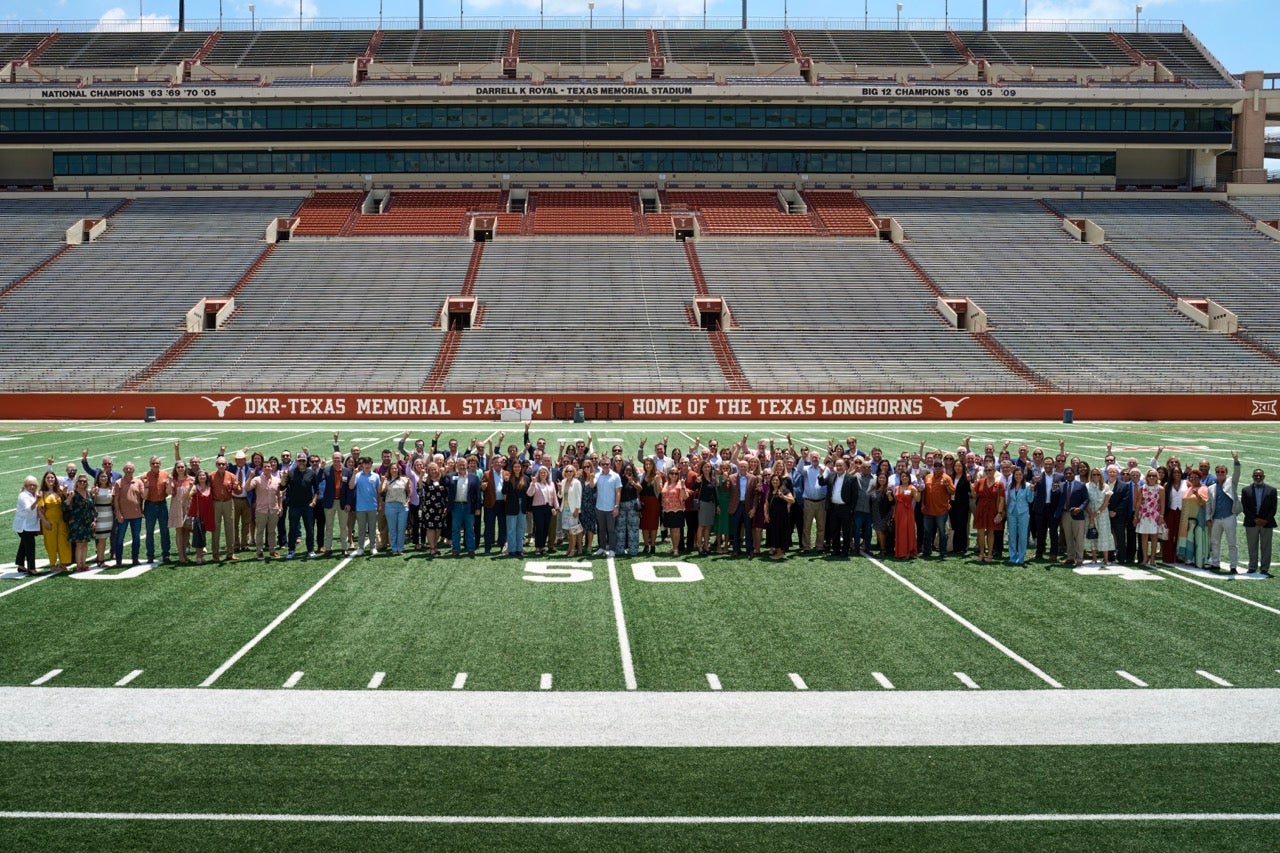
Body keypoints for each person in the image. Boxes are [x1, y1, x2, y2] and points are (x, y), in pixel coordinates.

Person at [1206, 452, 1242, 574]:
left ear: (1226, 473)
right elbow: (1209, 504)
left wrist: (1236, 460)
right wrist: (1208, 517)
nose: (1220, 474)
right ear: (1215, 473)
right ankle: (1215, 563)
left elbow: (1237, 473)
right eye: (1218, 472)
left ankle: (1233, 566)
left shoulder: (1231, 482)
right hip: (1216, 518)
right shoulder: (1212, 487)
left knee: (1232, 542)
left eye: (1222, 472)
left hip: (1229, 517)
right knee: (1215, 542)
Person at [283, 455, 321, 559]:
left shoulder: (311, 473)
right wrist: (283, 477)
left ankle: (311, 550)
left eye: (303, 460)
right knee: (293, 529)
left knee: (309, 529)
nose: (301, 462)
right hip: (294, 506)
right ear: (296, 461)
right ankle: (291, 550)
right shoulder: (291, 473)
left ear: (306, 461)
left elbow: (317, 489)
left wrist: (313, 501)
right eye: (299, 461)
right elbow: (282, 487)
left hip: (307, 506)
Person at [1242, 468, 1276, 577]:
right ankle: (1252, 567)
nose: (1258, 477)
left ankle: (1265, 568)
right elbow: (1245, 507)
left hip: (1267, 522)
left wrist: (1265, 520)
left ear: (1264, 477)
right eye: (1256, 476)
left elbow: (1273, 508)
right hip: (1252, 522)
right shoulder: (1246, 490)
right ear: (1252, 477)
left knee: (1266, 546)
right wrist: (1255, 519)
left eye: (1260, 476)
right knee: (1252, 546)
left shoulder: (1272, 490)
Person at [446, 456, 482, 557]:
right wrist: (445, 471)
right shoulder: (451, 476)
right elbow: (444, 483)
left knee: (470, 529)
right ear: (456, 466)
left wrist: (478, 508)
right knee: (456, 529)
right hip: (456, 506)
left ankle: (471, 549)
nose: (462, 466)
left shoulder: (474, 478)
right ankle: (456, 549)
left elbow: (478, 494)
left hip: (469, 507)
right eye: (460, 464)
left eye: (464, 464)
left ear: (467, 465)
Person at [207, 456, 242, 563]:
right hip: (216, 503)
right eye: (219, 464)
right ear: (216, 465)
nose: (221, 466)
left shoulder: (231, 476)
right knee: (215, 529)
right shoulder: (211, 476)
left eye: (223, 464)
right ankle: (215, 554)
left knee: (230, 528)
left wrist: (236, 488)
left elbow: (239, 491)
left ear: (227, 465)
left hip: (228, 502)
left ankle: (230, 553)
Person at [111, 462, 146, 567]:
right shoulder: (118, 483)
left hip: (136, 515)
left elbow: (143, 497)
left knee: (136, 538)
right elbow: (115, 499)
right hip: (123, 515)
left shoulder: (138, 482)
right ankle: (118, 560)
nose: (128, 470)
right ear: (123, 470)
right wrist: (118, 513)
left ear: (133, 470)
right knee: (120, 538)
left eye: (130, 468)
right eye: (126, 468)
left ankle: (135, 558)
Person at [36, 471, 72, 572]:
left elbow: (67, 502)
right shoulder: (42, 493)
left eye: (52, 478)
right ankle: (52, 564)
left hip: (61, 520)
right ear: (45, 480)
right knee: (51, 543)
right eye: (48, 478)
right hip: (49, 521)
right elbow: (39, 510)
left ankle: (63, 563)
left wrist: (64, 493)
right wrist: (45, 522)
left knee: (63, 542)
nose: (50, 479)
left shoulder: (59, 491)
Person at [247, 458, 283, 559]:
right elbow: (247, 488)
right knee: (260, 531)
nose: (267, 468)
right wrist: (250, 477)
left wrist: (280, 507)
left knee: (272, 531)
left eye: (269, 466)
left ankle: (272, 550)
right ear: (262, 468)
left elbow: (279, 496)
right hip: (261, 510)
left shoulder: (277, 480)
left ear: (271, 468)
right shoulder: (257, 479)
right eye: (265, 467)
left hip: (273, 509)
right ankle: (259, 551)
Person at [139, 456, 171, 565]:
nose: (155, 465)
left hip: (162, 504)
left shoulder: (165, 474)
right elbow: (142, 496)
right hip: (150, 505)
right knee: (149, 531)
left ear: (160, 464)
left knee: (165, 531)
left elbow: (168, 492)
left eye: (157, 463)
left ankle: (166, 554)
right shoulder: (144, 476)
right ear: (150, 464)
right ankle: (150, 555)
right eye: (153, 463)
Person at [920, 460, 954, 559]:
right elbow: (924, 493)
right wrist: (922, 504)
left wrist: (947, 485)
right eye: (936, 466)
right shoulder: (928, 477)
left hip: (941, 510)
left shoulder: (947, 478)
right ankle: (927, 550)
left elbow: (952, 491)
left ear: (943, 467)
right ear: (933, 467)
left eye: (940, 466)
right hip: (928, 510)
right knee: (927, 531)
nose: (938, 468)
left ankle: (943, 551)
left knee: (942, 532)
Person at [971, 463, 1005, 563]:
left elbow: (1002, 500)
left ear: (994, 471)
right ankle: (982, 553)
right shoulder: (980, 481)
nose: (988, 472)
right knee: (980, 532)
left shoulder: (999, 484)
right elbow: (974, 495)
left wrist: (999, 513)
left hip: (993, 510)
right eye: (986, 470)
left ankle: (989, 554)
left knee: (991, 532)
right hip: (981, 509)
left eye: (990, 470)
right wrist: (972, 487)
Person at [348, 457, 381, 557]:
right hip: (360, 507)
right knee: (361, 529)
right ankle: (361, 547)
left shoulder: (376, 476)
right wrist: (353, 474)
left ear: (371, 464)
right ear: (362, 465)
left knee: (372, 528)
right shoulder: (358, 475)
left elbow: (378, 491)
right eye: (365, 464)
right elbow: (351, 486)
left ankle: (372, 547)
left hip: (372, 506)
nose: (366, 466)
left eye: (368, 464)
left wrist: (379, 504)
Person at [1177, 469, 1210, 569]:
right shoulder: (1189, 488)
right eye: (1191, 477)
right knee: (1189, 538)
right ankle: (1189, 558)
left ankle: (1199, 559)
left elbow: (1206, 504)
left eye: (1196, 477)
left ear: (1200, 478)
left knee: (1199, 538)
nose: (1193, 479)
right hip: (1187, 518)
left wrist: (1198, 496)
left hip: (1198, 517)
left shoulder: (1204, 488)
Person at [65, 474, 96, 572]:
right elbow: (65, 507)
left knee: (85, 544)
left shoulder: (89, 493)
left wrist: (94, 520)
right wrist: (69, 498)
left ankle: (83, 563)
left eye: (84, 481)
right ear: (77, 482)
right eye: (80, 481)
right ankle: (79, 564)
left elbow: (93, 508)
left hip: (87, 522)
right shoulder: (72, 493)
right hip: (77, 522)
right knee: (79, 544)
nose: (82, 483)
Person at [1059, 467, 1088, 568]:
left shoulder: (1081, 485)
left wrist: (1080, 509)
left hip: (1077, 515)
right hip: (1065, 514)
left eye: (1070, 473)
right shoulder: (1061, 485)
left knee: (1079, 537)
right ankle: (1070, 557)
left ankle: (1079, 558)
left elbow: (1086, 499)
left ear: (1074, 474)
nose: (1068, 475)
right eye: (1066, 474)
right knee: (1068, 537)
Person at [527, 466, 560, 556]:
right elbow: (529, 493)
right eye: (541, 472)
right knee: (539, 528)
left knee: (546, 528)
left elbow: (554, 496)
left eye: (544, 472)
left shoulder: (551, 483)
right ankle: (538, 547)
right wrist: (533, 483)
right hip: (538, 508)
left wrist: (556, 507)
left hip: (548, 508)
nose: (543, 474)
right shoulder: (535, 483)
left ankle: (542, 547)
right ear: (538, 474)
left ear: (547, 474)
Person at [1135, 469, 1165, 568]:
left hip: (1154, 516)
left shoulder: (1160, 489)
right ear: (1147, 477)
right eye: (1150, 476)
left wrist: (1161, 516)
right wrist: (1136, 516)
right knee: (1144, 538)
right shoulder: (1142, 488)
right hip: (1143, 515)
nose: (1151, 478)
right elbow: (1139, 502)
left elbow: (1162, 504)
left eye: (1153, 476)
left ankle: (1152, 558)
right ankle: (1144, 558)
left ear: (1157, 477)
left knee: (1154, 538)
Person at [1084, 468, 1114, 565]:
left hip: (1102, 514)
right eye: (1094, 474)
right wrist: (1090, 514)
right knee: (1092, 534)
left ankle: (1105, 558)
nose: (1096, 476)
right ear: (1091, 476)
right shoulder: (1087, 486)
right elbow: (1085, 501)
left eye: (1098, 474)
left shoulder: (1106, 487)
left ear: (1101, 476)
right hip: (1090, 513)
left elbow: (1106, 502)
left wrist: (1097, 513)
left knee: (1104, 534)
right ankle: (1094, 557)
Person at [166, 461, 194, 565]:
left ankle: (185, 554)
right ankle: (181, 555)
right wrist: (169, 482)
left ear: (185, 468)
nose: (180, 469)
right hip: (177, 506)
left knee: (186, 530)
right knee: (179, 531)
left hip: (188, 506)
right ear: (175, 468)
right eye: (178, 467)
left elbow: (192, 493)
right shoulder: (173, 479)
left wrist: (191, 488)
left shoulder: (191, 479)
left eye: (182, 467)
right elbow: (168, 492)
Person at [1005, 465, 1034, 565]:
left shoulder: (1028, 486)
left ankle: (1021, 557)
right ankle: (1013, 556)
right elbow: (1008, 499)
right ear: (1013, 476)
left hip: (1023, 513)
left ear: (1023, 475)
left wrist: (1032, 491)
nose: (1018, 476)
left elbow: (1030, 500)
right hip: (1011, 512)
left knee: (1022, 536)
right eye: (1016, 474)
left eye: (1020, 474)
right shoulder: (1010, 485)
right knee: (1012, 535)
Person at [382, 462, 411, 556]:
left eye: (396, 468)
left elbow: (409, 491)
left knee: (401, 528)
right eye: (392, 468)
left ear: (399, 470)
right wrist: (382, 481)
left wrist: (408, 501)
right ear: (389, 470)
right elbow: (380, 491)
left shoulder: (405, 479)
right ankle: (394, 548)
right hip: (390, 506)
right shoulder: (386, 480)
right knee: (392, 528)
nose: (394, 470)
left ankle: (400, 548)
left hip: (402, 507)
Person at [594, 458, 622, 557]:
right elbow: (592, 485)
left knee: (611, 530)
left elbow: (618, 492)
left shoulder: (615, 476)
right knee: (601, 529)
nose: (605, 466)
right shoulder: (597, 476)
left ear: (610, 464)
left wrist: (616, 506)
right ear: (600, 465)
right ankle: (601, 547)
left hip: (611, 508)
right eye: (603, 464)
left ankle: (612, 549)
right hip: (599, 507)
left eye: (607, 464)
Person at [13, 476, 41, 575]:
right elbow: (28, 509)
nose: (32, 487)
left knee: (24, 545)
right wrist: (37, 501)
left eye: (34, 485)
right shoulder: (23, 496)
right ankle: (31, 568)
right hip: (24, 526)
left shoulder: (35, 494)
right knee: (30, 546)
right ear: (25, 486)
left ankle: (20, 565)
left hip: (30, 525)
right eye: (30, 485)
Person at [187, 469, 215, 565]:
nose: (202, 477)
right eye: (200, 476)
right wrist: (189, 488)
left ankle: (201, 556)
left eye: (203, 475)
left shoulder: (209, 487)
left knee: (203, 536)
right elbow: (187, 497)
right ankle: (198, 557)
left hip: (208, 514)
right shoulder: (195, 487)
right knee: (198, 536)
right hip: (199, 516)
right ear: (197, 478)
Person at [764, 473, 795, 560]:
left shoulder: (784, 489)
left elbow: (792, 500)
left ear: (780, 481)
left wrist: (783, 497)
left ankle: (780, 553)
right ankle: (777, 551)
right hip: (772, 516)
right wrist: (766, 515)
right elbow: (766, 503)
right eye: (773, 480)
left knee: (780, 534)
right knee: (774, 534)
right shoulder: (770, 490)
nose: (775, 481)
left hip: (781, 516)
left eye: (777, 480)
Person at [659, 468, 689, 557]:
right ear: (669, 474)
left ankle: (676, 549)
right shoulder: (666, 483)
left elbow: (685, 497)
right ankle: (674, 547)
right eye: (672, 473)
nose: (674, 475)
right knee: (672, 530)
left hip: (677, 510)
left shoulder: (680, 483)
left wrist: (683, 486)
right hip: (667, 510)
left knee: (676, 530)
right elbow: (662, 493)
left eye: (676, 473)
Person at [638, 458, 662, 556]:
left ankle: (652, 545)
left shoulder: (657, 476)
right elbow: (639, 489)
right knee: (644, 525)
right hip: (644, 502)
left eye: (650, 464)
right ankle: (646, 545)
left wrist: (656, 481)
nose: (648, 466)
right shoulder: (642, 475)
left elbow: (660, 490)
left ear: (653, 465)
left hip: (653, 502)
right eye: (646, 464)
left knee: (653, 525)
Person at [91, 470, 114, 567]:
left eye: (105, 476)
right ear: (98, 479)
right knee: (101, 539)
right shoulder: (95, 489)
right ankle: (100, 560)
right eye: (101, 477)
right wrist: (94, 495)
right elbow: (92, 503)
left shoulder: (111, 489)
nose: (103, 478)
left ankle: (101, 559)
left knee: (104, 539)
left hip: (108, 515)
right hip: (99, 516)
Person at [892, 475, 919, 559]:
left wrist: (918, 490)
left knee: (907, 531)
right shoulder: (897, 487)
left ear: (909, 478)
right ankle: (900, 551)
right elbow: (896, 502)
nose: (904, 478)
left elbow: (918, 499)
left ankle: (908, 552)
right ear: (900, 478)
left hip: (907, 512)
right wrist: (894, 513)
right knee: (900, 532)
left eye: (906, 476)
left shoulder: (912, 488)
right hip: (899, 512)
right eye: (902, 476)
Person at [560, 464, 583, 557]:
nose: (569, 473)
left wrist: (577, 509)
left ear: (574, 472)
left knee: (573, 530)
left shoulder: (576, 482)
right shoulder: (563, 481)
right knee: (569, 531)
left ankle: (573, 549)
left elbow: (578, 497)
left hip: (573, 509)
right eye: (567, 471)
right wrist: (559, 489)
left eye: (570, 471)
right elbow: (560, 496)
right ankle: (570, 548)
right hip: (565, 509)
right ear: (564, 472)